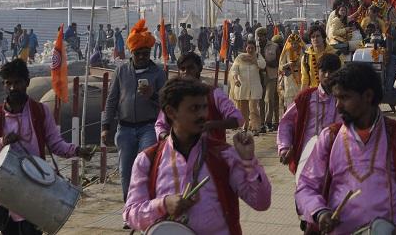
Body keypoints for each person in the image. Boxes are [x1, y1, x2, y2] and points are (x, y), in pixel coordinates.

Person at [295, 61, 396, 234]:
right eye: (336, 98)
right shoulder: (329, 137)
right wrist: (319, 212)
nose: (338, 106)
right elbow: (306, 186)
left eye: (344, 98)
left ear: (368, 96)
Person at [123, 78, 272, 234]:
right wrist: (163, 204)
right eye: (194, 108)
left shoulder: (224, 155)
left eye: (204, 108)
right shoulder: (148, 160)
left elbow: (261, 203)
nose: (203, 115)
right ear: (171, 112)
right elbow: (131, 215)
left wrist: (249, 161)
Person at [0, 60, 95, 235]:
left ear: (27, 82)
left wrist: (77, 151)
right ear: (4, 85)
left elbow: (55, 144)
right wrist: (2, 142)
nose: (12, 88)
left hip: (35, 190)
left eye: (17, 82)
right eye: (8, 83)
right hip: (4, 193)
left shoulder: (40, 111)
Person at [102, 19, 168, 202]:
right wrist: (106, 126)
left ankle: (145, 205)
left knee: (145, 166)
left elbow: (167, 102)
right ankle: (130, 207)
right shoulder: (121, 71)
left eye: (145, 53)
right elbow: (112, 100)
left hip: (149, 127)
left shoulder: (158, 73)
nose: (142, 57)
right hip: (125, 128)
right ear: (132, 53)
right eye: (138, 53)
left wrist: (152, 95)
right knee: (125, 170)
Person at [277, 53, 342, 175]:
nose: (327, 75)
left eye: (332, 71)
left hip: (337, 160)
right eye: (324, 71)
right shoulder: (306, 97)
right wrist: (284, 147)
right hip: (308, 160)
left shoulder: (345, 98)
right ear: (318, 72)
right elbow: (286, 122)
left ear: (339, 73)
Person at [155, 52, 243, 142]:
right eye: (182, 69)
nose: (186, 72)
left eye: (190, 68)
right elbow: (160, 126)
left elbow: (237, 119)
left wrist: (210, 125)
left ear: (199, 69)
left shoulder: (214, 94)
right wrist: (167, 139)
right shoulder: (173, 96)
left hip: (212, 148)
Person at [229, 39, 265, 135]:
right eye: (249, 48)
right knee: (243, 108)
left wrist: (253, 60)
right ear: (245, 48)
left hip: (254, 86)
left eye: (252, 48)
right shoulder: (240, 57)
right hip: (242, 86)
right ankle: (245, 127)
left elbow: (263, 65)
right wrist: (236, 79)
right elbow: (234, 69)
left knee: (253, 108)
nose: (250, 50)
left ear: (255, 49)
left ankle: (255, 128)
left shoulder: (258, 56)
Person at [262, 41, 280, 131]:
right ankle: (260, 122)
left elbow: (278, 62)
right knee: (259, 100)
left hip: (271, 76)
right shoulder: (253, 46)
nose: (260, 37)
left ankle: (268, 121)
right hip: (258, 77)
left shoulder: (274, 46)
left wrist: (265, 63)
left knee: (269, 99)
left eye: (262, 35)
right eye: (259, 35)